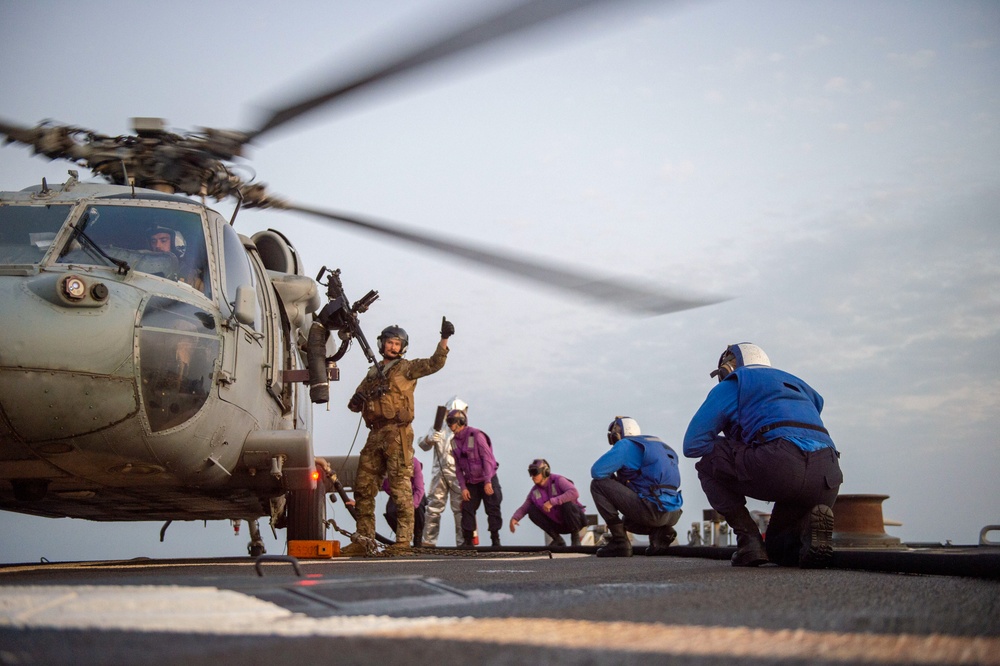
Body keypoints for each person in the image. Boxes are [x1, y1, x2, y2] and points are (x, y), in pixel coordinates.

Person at [683, 342, 843, 568]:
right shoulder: (800, 386)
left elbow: (693, 444)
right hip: (828, 474)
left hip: (781, 465)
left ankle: (748, 541)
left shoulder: (735, 383)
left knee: (707, 464)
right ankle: (808, 527)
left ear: (728, 368)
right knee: (778, 551)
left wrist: (733, 443)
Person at [343, 319, 454, 555]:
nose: (392, 347)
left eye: (397, 343)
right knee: (363, 487)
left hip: (398, 433)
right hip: (375, 434)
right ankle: (363, 541)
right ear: (382, 344)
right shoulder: (373, 373)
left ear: (402, 347)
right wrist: (356, 401)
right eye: (389, 343)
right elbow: (355, 403)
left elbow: (434, 364)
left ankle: (403, 542)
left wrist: (444, 339)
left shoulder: (406, 368)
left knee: (401, 486)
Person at [590, 416, 683, 557]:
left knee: (598, 484)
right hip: (673, 513)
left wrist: (611, 478)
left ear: (617, 435)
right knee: (627, 522)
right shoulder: (660, 446)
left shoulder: (626, 445)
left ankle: (620, 542)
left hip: (652, 511)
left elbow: (597, 471)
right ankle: (660, 533)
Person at [418, 396, 469, 547]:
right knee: (434, 507)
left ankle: (463, 542)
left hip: (458, 475)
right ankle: (428, 541)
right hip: (439, 473)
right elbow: (422, 444)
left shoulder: (466, 432)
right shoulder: (438, 427)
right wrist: (429, 438)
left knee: (460, 509)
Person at [449, 409, 503, 548]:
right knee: (467, 508)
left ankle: (495, 540)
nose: (449, 425)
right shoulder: (453, 442)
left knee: (492, 507)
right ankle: (468, 542)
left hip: (487, 478)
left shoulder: (476, 435)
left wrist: (487, 481)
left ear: (461, 421)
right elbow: (458, 468)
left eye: (451, 422)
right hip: (471, 481)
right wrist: (463, 487)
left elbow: (488, 459)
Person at [509, 459, 587, 547]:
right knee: (532, 510)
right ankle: (558, 540)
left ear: (545, 471)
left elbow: (574, 493)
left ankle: (575, 538)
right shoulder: (534, 492)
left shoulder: (558, 480)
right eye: (530, 473)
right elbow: (525, 507)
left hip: (575, 521)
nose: (532, 476)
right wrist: (515, 518)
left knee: (567, 504)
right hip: (558, 525)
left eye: (535, 472)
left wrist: (552, 502)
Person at [382, 456, 428, 548]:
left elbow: (419, 489)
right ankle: (401, 535)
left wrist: (412, 505)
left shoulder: (414, 462)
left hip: (414, 493)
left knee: (418, 510)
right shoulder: (387, 464)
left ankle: (418, 538)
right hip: (397, 493)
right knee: (391, 512)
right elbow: (385, 486)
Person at [146, 225, 206, 293]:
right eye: (153, 241)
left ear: (176, 243)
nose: (157, 246)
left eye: (163, 240)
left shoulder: (191, 277)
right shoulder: (142, 268)